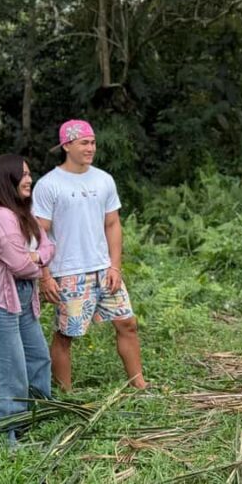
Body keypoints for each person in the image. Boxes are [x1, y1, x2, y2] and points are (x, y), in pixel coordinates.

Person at [33, 119, 148, 391]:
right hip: (68, 271)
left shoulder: (103, 180)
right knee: (66, 334)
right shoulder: (49, 185)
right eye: (84, 142)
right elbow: (40, 234)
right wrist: (45, 276)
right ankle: (66, 393)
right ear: (67, 145)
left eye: (93, 142)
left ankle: (139, 384)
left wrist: (115, 266)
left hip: (104, 269)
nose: (91, 148)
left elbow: (112, 224)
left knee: (127, 323)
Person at [0, 154, 55, 434]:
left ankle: (34, 414)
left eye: (30, 173)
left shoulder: (23, 213)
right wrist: (35, 259)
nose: (30, 179)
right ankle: (1, 429)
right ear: (7, 179)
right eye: (23, 174)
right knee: (6, 366)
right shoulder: (0, 217)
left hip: (23, 295)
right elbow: (21, 266)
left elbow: (48, 246)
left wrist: (34, 257)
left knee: (36, 357)